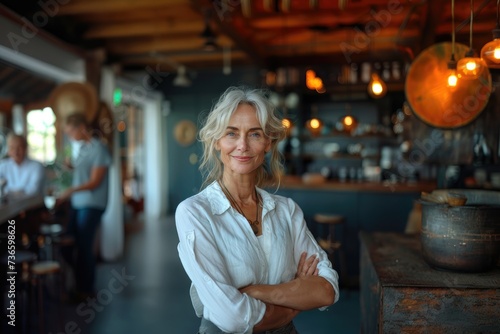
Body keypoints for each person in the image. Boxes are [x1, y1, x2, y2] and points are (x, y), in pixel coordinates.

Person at [175, 87, 339, 334]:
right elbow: (231, 318)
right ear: (217, 141)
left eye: (254, 134)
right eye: (231, 133)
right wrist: (295, 297)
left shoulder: (287, 211)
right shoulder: (195, 213)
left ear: (268, 144)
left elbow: (326, 290)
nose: (242, 145)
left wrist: (257, 292)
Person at [57, 112, 112, 299]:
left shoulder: (99, 149)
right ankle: (80, 282)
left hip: (92, 204)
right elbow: (83, 173)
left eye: (70, 131)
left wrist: (70, 191)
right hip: (78, 203)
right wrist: (70, 168)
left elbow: (95, 181)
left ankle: (85, 289)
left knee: (83, 246)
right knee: (67, 243)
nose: (69, 136)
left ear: (81, 128)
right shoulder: (81, 149)